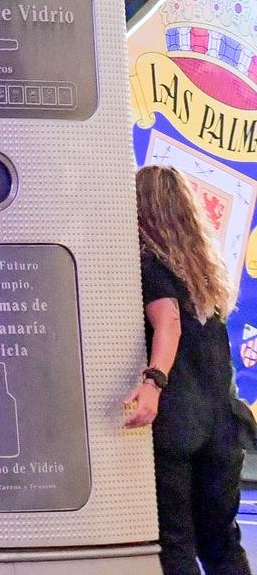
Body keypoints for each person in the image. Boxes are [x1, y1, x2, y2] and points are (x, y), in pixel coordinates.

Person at [123, 165, 253, 575]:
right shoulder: (203, 277)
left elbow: (168, 322)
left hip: (177, 425)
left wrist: (153, 382)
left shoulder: (148, 266)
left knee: (176, 545)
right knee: (222, 544)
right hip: (221, 427)